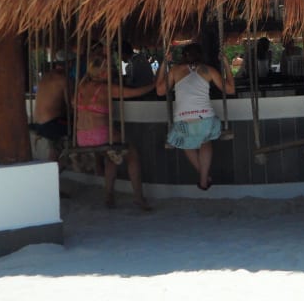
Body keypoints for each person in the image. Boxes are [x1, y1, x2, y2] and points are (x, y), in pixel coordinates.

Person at [75, 42, 154, 208]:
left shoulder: (81, 86)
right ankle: (138, 197)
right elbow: (134, 93)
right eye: (108, 68)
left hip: (81, 137)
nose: (111, 70)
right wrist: (155, 85)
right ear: (103, 73)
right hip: (100, 135)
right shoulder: (106, 88)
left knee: (112, 156)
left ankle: (108, 195)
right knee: (131, 153)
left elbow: (72, 103)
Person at [155, 42, 235, 190]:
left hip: (183, 120)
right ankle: (204, 179)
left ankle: (203, 177)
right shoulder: (208, 70)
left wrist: (163, 65)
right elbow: (230, 89)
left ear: (183, 56)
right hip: (205, 119)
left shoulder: (175, 70)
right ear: (201, 56)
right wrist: (226, 64)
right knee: (206, 141)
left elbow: (160, 91)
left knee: (186, 143)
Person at [31, 60, 71, 163]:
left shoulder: (44, 77)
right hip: (51, 124)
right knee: (77, 127)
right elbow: (70, 103)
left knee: (55, 147)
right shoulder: (63, 79)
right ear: (70, 64)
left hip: (38, 123)